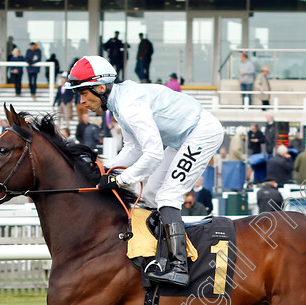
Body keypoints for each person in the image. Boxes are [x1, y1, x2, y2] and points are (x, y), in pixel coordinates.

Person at [67, 55, 224, 287]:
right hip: (180, 139)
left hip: (201, 133)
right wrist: (105, 169)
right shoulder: (118, 103)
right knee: (149, 197)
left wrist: (120, 180)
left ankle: (180, 267)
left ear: (101, 87)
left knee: (167, 196)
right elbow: (133, 148)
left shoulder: (129, 106)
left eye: (83, 93)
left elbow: (152, 155)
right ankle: (156, 259)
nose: (81, 101)